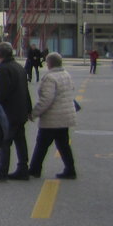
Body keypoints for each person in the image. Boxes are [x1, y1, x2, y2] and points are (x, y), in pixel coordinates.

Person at [0, 42, 31, 181]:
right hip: (21, 110)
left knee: (5, 141)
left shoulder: (3, 69)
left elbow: (1, 94)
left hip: (9, 112)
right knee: (20, 141)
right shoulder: (18, 67)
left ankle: (2, 170)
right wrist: (29, 108)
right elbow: (25, 90)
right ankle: (23, 168)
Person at [27, 51, 77, 180]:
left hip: (53, 117)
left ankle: (34, 169)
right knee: (63, 144)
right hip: (65, 116)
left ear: (49, 63)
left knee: (41, 144)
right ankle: (70, 169)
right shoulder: (66, 74)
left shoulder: (50, 77)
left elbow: (46, 100)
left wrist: (34, 113)